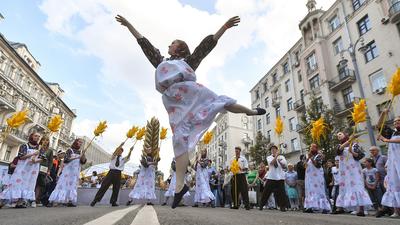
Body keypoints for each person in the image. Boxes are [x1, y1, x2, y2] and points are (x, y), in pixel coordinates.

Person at [115, 15, 266, 209]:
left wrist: (224, 28)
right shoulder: (162, 63)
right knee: (179, 140)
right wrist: (129, 26)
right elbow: (145, 44)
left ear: (180, 48)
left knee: (219, 102)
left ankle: (251, 111)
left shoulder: (188, 61)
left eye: (172, 43)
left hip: (192, 95)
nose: (169, 45)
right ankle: (180, 187)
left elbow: (205, 47)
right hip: (176, 106)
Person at [0, 132, 42, 208]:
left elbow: (43, 158)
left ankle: (20, 202)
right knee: (15, 183)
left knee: (27, 185)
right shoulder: (24, 145)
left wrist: (36, 160)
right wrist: (32, 154)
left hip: (32, 170)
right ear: (32, 136)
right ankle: (3, 201)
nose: (37, 138)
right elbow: (21, 157)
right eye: (36, 136)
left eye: (39, 136)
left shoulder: (39, 148)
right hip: (22, 168)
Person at [335, 132, 371, 216]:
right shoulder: (339, 145)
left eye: (340, 134)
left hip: (354, 169)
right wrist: (350, 140)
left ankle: (361, 209)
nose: (338, 136)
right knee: (345, 187)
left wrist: (352, 152)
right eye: (337, 136)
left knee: (358, 186)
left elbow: (360, 156)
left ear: (345, 135)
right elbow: (339, 150)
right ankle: (348, 207)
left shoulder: (354, 145)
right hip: (344, 171)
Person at [91, 143, 133, 207]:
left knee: (116, 188)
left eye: (120, 151)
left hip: (118, 173)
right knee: (104, 186)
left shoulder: (122, 159)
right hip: (111, 172)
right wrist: (120, 145)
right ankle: (95, 200)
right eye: (118, 150)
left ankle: (113, 202)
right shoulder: (113, 156)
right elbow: (115, 152)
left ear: (122, 152)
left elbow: (128, 157)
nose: (119, 151)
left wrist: (130, 150)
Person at [49, 138, 86, 207]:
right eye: (79, 142)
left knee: (72, 186)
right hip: (68, 171)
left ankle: (70, 200)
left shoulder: (81, 151)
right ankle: (57, 200)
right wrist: (75, 158)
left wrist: (82, 155)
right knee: (63, 184)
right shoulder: (70, 150)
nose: (80, 143)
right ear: (76, 142)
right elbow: (66, 159)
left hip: (75, 172)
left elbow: (83, 162)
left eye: (81, 142)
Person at [377, 116, 400, 218]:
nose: (396, 122)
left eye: (398, 120)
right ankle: (396, 210)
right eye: (395, 121)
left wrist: (386, 140)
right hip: (393, 162)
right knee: (393, 184)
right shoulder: (393, 132)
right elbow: (379, 126)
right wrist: (383, 113)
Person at [259, 145, 288, 212]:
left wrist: (280, 161)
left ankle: (282, 206)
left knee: (281, 193)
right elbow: (271, 163)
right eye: (272, 149)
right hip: (272, 176)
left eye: (274, 149)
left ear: (276, 149)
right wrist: (276, 156)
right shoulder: (269, 157)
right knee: (266, 191)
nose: (273, 150)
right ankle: (261, 205)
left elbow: (284, 166)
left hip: (280, 177)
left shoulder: (282, 157)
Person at [303, 144, 331, 214]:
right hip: (309, 177)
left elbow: (318, 165)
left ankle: (324, 207)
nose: (311, 148)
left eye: (313, 147)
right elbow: (304, 166)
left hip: (317, 177)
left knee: (319, 191)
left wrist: (311, 158)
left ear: (316, 148)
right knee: (310, 191)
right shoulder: (307, 155)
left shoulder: (319, 156)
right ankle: (310, 206)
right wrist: (307, 159)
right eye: (310, 147)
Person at [35, 135, 53, 206]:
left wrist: (49, 170)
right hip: (35, 167)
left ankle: (37, 199)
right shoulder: (38, 148)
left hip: (44, 168)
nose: (45, 142)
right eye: (44, 140)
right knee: (34, 183)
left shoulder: (50, 150)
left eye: (47, 140)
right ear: (41, 140)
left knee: (41, 184)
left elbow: (51, 161)